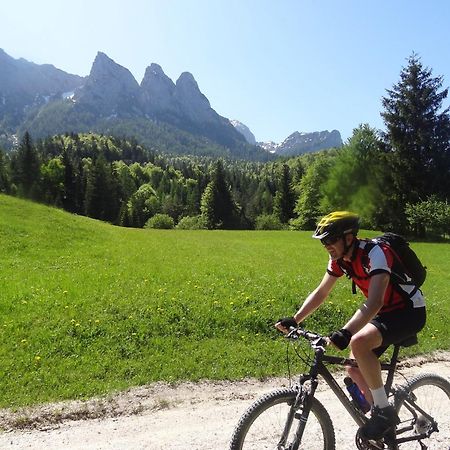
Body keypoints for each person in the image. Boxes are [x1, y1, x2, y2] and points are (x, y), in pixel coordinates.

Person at [275, 211, 426, 441]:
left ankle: (384, 413)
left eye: (330, 239)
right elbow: (322, 292)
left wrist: (347, 331)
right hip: (385, 312)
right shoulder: (339, 259)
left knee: (358, 342)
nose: (326, 245)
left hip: (408, 311)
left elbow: (375, 301)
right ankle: (382, 421)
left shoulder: (376, 253)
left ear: (348, 237)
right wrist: (296, 319)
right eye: (323, 241)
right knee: (353, 367)